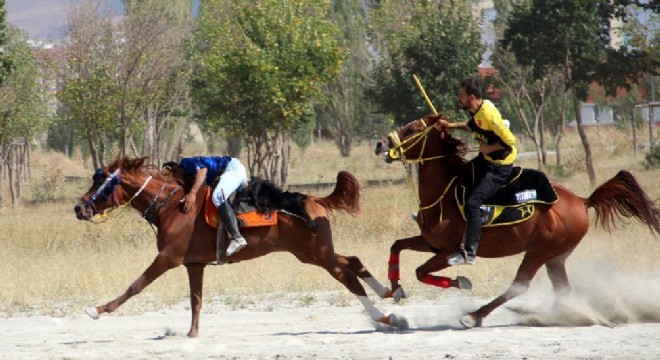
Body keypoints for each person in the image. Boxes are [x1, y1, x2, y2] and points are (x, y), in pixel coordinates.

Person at [437, 78, 517, 266]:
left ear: (471, 97)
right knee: (459, 177)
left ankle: (469, 254)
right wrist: (450, 126)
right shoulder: (477, 112)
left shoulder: (488, 115)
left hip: (499, 166)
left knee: (472, 203)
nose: (459, 98)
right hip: (487, 160)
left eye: (461, 95)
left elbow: (510, 140)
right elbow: (471, 125)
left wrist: (489, 148)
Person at [177, 156, 248, 256]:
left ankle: (237, 238)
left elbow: (202, 171)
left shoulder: (185, 163)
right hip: (233, 171)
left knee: (218, 197)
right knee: (220, 202)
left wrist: (192, 193)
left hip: (232, 169)